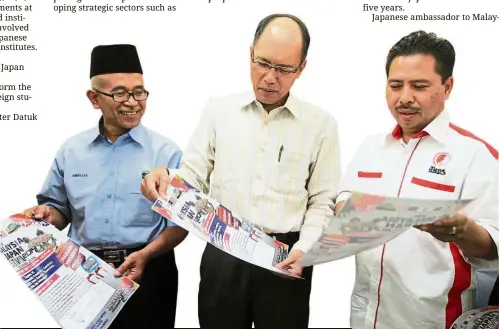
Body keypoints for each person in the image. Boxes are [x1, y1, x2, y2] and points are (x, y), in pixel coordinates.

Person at [141, 13, 341, 329]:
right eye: (262, 63)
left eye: (284, 69)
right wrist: (165, 177)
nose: (270, 77)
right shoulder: (218, 111)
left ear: (302, 68)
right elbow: (193, 174)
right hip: (223, 253)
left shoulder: (320, 125)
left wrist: (305, 248)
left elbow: (322, 201)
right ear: (250, 54)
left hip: (287, 256)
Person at [335, 31, 498, 329]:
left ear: (447, 86)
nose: (405, 97)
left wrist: (462, 229)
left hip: (432, 319)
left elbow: (492, 248)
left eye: (419, 86)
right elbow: (344, 205)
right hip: (365, 315)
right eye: (395, 85)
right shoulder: (371, 148)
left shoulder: (478, 156)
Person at [24, 44, 187, 329]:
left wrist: (147, 254)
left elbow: (182, 223)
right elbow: (59, 209)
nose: (133, 102)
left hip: (150, 272)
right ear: (94, 98)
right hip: (83, 273)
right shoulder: (71, 151)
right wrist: (47, 216)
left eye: (139, 92)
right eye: (120, 93)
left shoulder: (166, 153)